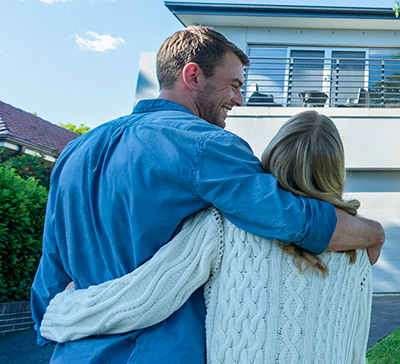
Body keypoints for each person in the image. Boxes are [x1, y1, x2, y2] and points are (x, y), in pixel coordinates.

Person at [31, 26, 384, 363]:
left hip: (72, 352)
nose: (239, 99)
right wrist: (371, 232)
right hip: (160, 353)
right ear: (193, 76)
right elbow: (289, 216)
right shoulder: (206, 146)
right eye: (232, 85)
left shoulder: (75, 152)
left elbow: (50, 274)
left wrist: (57, 331)